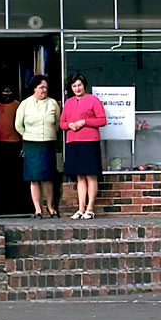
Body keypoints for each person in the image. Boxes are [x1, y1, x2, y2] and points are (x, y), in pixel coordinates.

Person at [59, 73, 107, 219]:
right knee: (80, 176)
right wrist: (69, 125)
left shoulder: (93, 100)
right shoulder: (68, 103)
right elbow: (62, 123)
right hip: (73, 142)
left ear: (84, 85)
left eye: (79, 85)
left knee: (90, 175)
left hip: (89, 141)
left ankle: (90, 208)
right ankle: (80, 208)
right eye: (74, 86)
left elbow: (102, 120)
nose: (77, 88)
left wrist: (84, 122)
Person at [14, 75, 61, 218]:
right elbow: (18, 124)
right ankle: (38, 209)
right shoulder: (25, 104)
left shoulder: (53, 103)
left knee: (48, 177)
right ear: (34, 88)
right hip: (31, 144)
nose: (44, 90)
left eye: (46, 87)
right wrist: (28, 135)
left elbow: (58, 123)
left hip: (48, 143)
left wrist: (50, 134)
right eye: (41, 87)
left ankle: (51, 207)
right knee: (34, 178)